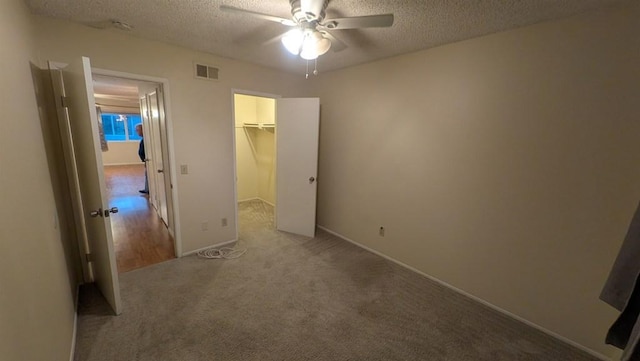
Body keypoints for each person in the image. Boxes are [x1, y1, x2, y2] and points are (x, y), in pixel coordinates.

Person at [135, 124, 149, 194]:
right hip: (146, 160)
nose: (137, 132)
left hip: (148, 160)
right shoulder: (144, 139)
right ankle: (147, 189)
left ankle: (148, 189)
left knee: (148, 174)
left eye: (138, 130)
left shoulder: (147, 139)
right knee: (147, 174)